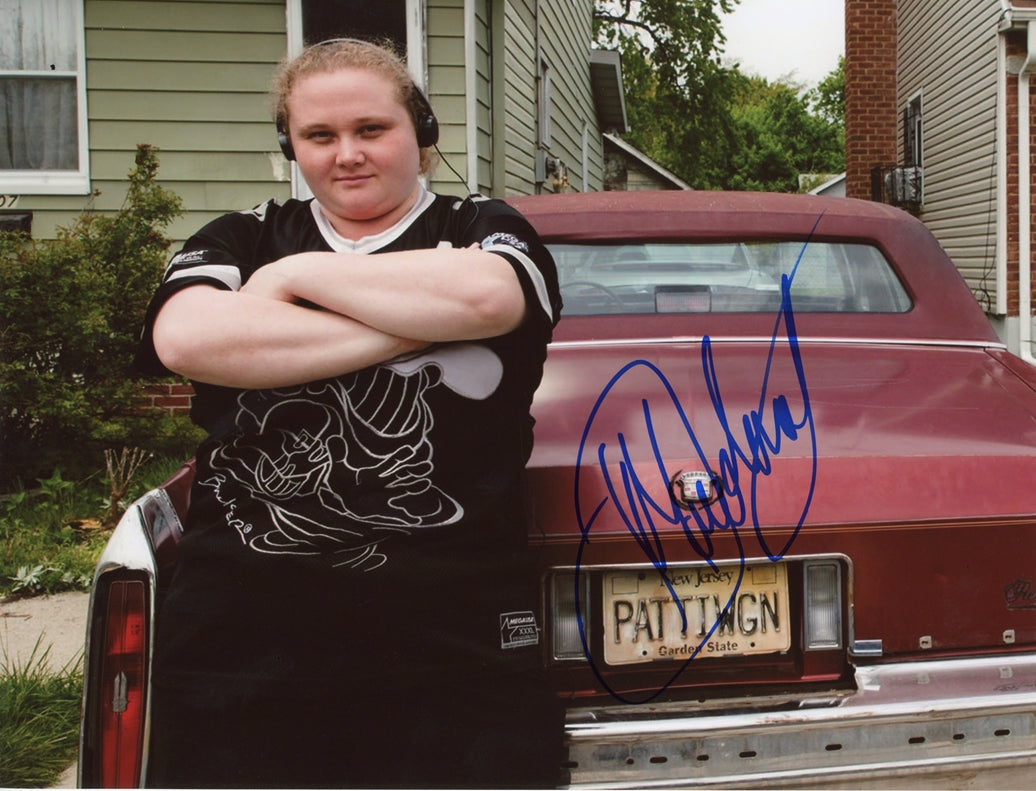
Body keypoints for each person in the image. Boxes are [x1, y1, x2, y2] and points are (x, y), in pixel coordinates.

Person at [136, 38, 564, 788]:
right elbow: (186, 335)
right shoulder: (241, 234)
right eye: (319, 136)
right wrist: (422, 328)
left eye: (372, 129)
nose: (347, 156)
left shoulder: (478, 226)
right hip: (242, 648)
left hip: (453, 648)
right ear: (290, 146)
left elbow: (488, 298)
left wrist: (293, 278)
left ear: (421, 131)